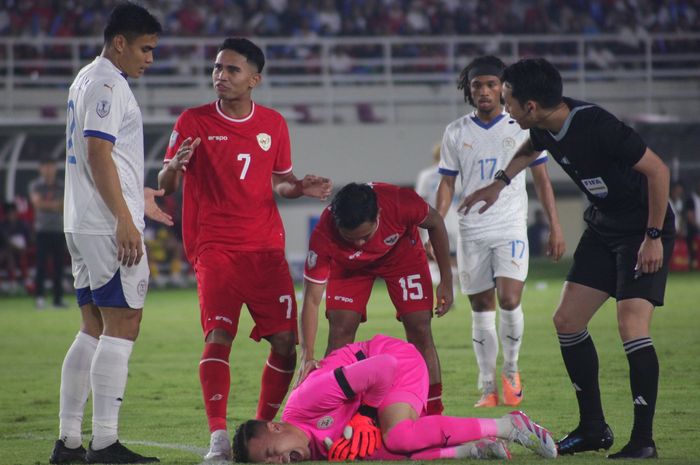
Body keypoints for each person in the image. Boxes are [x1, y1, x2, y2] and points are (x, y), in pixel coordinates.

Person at [462, 57, 675, 459]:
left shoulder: (597, 126)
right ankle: (594, 428)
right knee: (567, 320)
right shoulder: (544, 125)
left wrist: (653, 236)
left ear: (530, 107)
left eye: (508, 101)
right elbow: (532, 147)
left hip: (642, 227)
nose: (504, 108)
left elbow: (659, 171)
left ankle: (643, 440)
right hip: (603, 226)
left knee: (631, 324)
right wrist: (499, 183)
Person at [157, 37, 332, 461]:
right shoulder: (193, 121)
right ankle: (218, 438)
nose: (220, 75)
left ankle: (259, 430)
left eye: (231, 70)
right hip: (215, 247)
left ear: (254, 79)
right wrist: (174, 168)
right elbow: (164, 186)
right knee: (218, 336)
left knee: (286, 344)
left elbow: (281, 182)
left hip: (265, 249)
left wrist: (299, 188)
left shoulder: (272, 123)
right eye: (217, 68)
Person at [50, 3, 169, 464]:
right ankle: (104, 444)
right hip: (105, 225)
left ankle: (69, 443)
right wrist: (124, 216)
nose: (149, 59)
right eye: (145, 48)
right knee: (124, 324)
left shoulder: (85, 77)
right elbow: (98, 152)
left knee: (93, 327)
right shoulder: (107, 83)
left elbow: (97, 158)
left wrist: (137, 197)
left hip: (81, 220)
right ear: (119, 42)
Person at [435, 55, 565, 409]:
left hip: (509, 226)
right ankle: (487, 385)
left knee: (509, 299)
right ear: (469, 89)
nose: (485, 91)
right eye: (477, 85)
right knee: (481, 306)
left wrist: (555, 224)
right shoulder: (456, 131)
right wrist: (436, 226)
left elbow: (541, 178)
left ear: (503, 88)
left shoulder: (521, 124)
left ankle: (511, 370)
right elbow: (447, 184)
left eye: (492, 84)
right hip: (471, 231)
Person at [232, 334, 558, 462]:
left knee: (398, 435)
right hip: (375, 391)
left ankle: (509, 424)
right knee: (376, 453)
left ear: (276, 427)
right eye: (269, 464)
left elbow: (382, 368)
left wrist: (366, 415)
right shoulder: (309, 448)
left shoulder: (306, 401)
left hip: (394, 361)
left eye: (274, 453)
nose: (280, 463)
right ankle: (472, 448)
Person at [297, 182, 453, 416]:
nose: (361, 243)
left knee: (420, 326)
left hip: (401, 257)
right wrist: (307, 355)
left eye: (365, 236)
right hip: (350, 267)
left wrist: (446, 281)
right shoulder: (324, 234)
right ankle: (331, 414)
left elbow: (436, 222)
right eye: (351, 238)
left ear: (379, 214)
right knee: (340, 330)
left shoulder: (400, 202)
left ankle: (432, 411)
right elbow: (311, 300)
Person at [414, 142, 460, 284]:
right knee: (455, 258)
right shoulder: (459, 175)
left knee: (434, 256)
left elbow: (420, 201)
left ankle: (438, 283)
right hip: (455, 221)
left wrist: (418, 227)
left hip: (432, 221)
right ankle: (451, 287)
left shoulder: (426, 175)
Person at [29, 156, 67, 309]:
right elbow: (37, 203)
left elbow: (65, 204)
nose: (49, 169)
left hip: (59, 229)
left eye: (51, 166)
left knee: (59, 265)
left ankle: (58, 299)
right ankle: (39, 297)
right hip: (42, 230)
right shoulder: (36, 185)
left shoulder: (62, 185)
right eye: (46, 166)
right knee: (41, 265)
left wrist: (47, 205)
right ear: (41, 168)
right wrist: (55, 205)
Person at [684, 180, 700, 269]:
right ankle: (692, 266)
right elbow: (689, 216)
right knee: (694, 251)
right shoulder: (691, 199)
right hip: (693, 231)